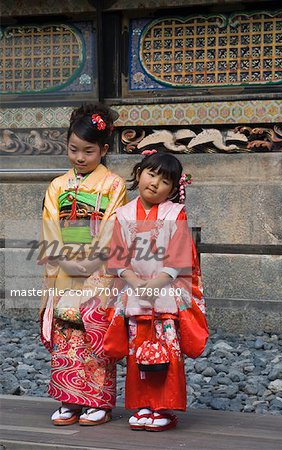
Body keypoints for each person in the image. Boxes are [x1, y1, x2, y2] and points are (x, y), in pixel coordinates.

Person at [105, 150, 209, 431]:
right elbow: (116, 257)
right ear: (139, 173)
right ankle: (141, 406)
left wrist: (158, 281)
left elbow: (179, 256)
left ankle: (162, 407)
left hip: (166, 291)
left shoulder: (176, 215)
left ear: (174, 189)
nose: (154, 183)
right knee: (137, 349)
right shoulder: (123, 214)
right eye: (151, 174)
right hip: (135, 288)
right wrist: (137, 282)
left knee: (166, 350)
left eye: (165, 181)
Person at [39, 103, 127, 426]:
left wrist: (91, 261)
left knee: (93, 331)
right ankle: (68, 398)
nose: (79, 157)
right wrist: (62, 259)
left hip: (97, 271)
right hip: (63, 267)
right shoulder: (57, 186)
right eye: (73, 149)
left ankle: (99, 401)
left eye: (87, 151)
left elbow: (113, 227)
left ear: (103, 150)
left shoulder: (114, 185)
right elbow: (50, 225)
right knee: (65, 330)